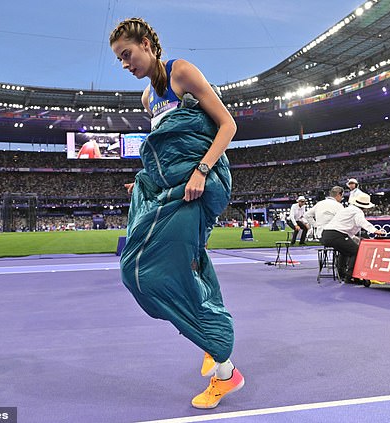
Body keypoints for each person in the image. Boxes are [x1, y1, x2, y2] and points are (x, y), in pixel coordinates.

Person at [110, 18, 243, 409]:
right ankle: (209, 341)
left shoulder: (181, 72)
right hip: (171, 190)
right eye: (119, 59)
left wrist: (201, 170)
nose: (125, 65)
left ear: (148, 44)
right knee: (189, 266)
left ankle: (225, 370)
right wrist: (145, 182)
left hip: (197, 187)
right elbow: (166, 151)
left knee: (141, 270)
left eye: (127, 55)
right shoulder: (147, 101)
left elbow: (227, 125)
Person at [321, 192, 386, 283]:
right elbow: (362, 222)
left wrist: (355, 239)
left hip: (326, 234)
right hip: (337, 234)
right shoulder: (357, 211)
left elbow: (345, 227)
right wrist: (375, 230)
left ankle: (342, 274)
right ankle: (350, 276)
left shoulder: (348, 209)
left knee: (345, 251)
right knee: (356, 251)